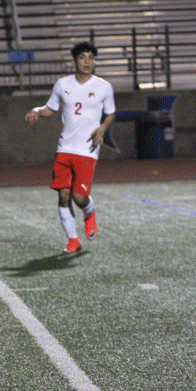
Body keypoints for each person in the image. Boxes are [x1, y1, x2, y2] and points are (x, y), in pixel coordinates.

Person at [25, 41, 115, 253]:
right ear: (74, 60)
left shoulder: (103, 86)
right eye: (83, 57)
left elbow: (111, 113)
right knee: (63, 195)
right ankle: (73, 240)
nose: (87, 62)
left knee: (79, 197)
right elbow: (51, 108)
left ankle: (89, 211)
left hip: (87, 149)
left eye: (91, 58)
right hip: (65, 148)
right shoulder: (62, 84)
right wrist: (37, 110)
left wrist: (102, 128)